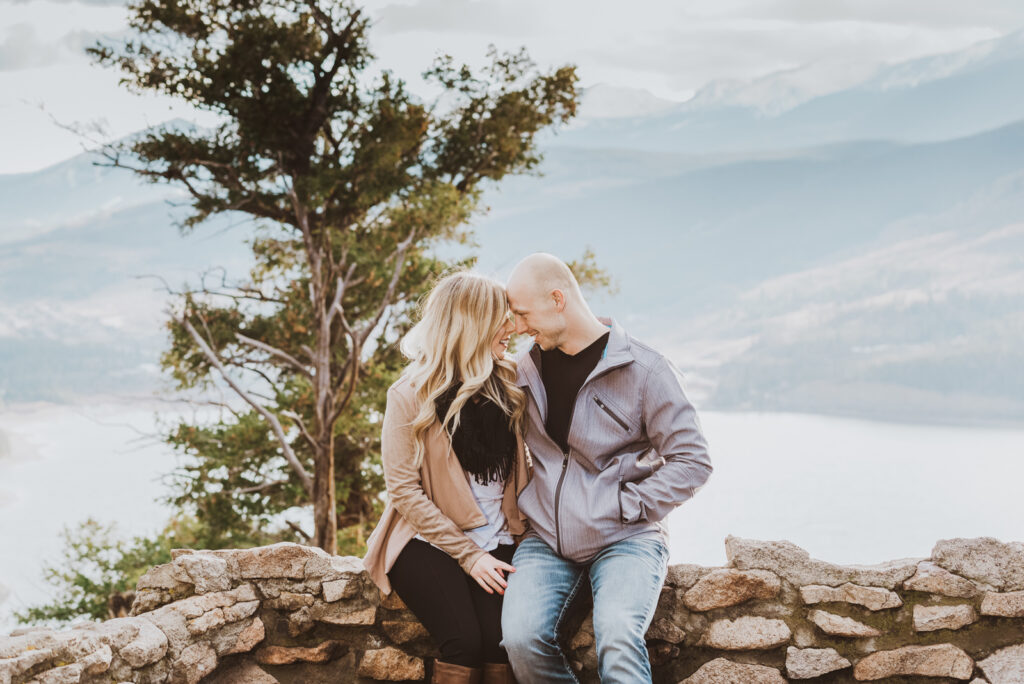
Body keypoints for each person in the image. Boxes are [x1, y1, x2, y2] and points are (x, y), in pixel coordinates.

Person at [500, 253, 712, 683]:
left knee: (616, 634)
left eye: (522, 314)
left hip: (626, 535)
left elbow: (693, 459)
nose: (518, 327)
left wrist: (626, 505)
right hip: (546, 538)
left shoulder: (647, 369)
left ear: (557, 299)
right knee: (520, 639)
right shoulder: (523, 370)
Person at [363, 271, 533, 684]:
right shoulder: (408, 394)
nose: (511, 329)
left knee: (502, 641)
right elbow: (404, 490)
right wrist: (468, 554)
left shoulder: (512, 380)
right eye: (501, 319)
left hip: (500, 535)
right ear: (471, 323)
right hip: (428, 540)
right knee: (464, 642)